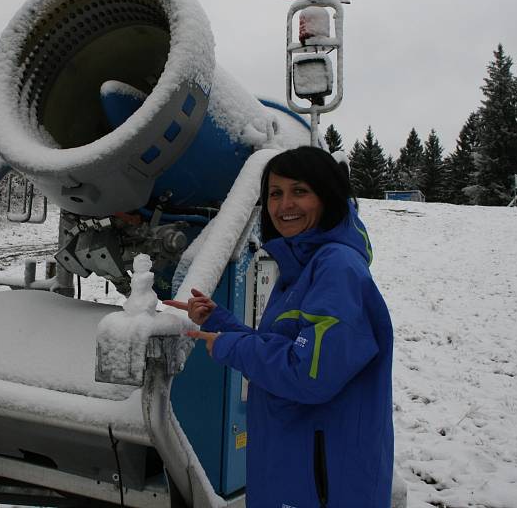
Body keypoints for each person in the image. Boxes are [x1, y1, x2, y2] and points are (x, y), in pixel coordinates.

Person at [164, 146, 393, 507]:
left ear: (327, 195)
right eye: (275, 193)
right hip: (295, 466)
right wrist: (219, 320)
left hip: (325, 484)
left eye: (300, 191)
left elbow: (309, 373)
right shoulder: (301, 266)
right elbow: (284, 346)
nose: (284, 204)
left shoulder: (338, 269)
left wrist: (229, 345)